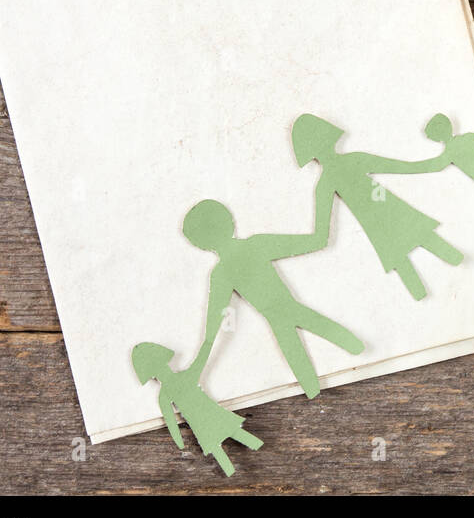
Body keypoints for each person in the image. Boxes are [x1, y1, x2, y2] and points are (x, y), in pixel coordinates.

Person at [183, 199, 364, 399]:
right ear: (229, 222)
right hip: (286, 311)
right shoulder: (255, 245)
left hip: (278, 316)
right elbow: (314, 241)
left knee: (301, 360)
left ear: (200, 243)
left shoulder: (221, 273)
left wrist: (200, 360)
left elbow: (213, 325)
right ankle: (354, 353)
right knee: (326, 339)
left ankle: (319, 387)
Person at [292, 113, 461, 301]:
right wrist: (435, 163)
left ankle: (431, 286)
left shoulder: (325, 183)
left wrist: (303, 244)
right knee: (418, 236)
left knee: (408, 247)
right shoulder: (348, 164)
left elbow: (320, 235)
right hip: (383, 209)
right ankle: (449, 268)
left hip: (377, 218)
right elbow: (402, 167)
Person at [131, 340, 262, 477]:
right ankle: (239, 466)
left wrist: (180, 442)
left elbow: (171, 422)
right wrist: (209, 337)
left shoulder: (165, 394)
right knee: (231, 436)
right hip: (208, 418)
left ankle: (235, 470)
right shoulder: (182, 379)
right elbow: (201, 359)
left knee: (222, 444)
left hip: (203, 422)